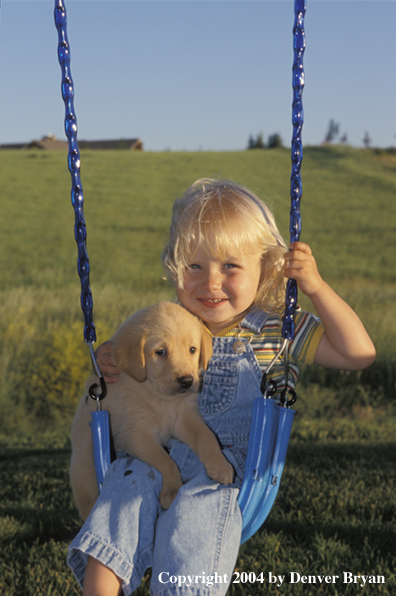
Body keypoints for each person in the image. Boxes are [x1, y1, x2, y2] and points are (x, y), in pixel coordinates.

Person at [68, 179, 375, 596]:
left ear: (265, 269)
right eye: (194, 266)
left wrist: (315, 288)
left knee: (197, 513)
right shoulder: (171, 322)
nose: (211, 282)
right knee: (123, 487)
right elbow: (126, 360)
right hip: (157, 457)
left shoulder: (276, 328)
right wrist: (109, 360)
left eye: (230, 266)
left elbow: (359, 355)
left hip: (226, 475)